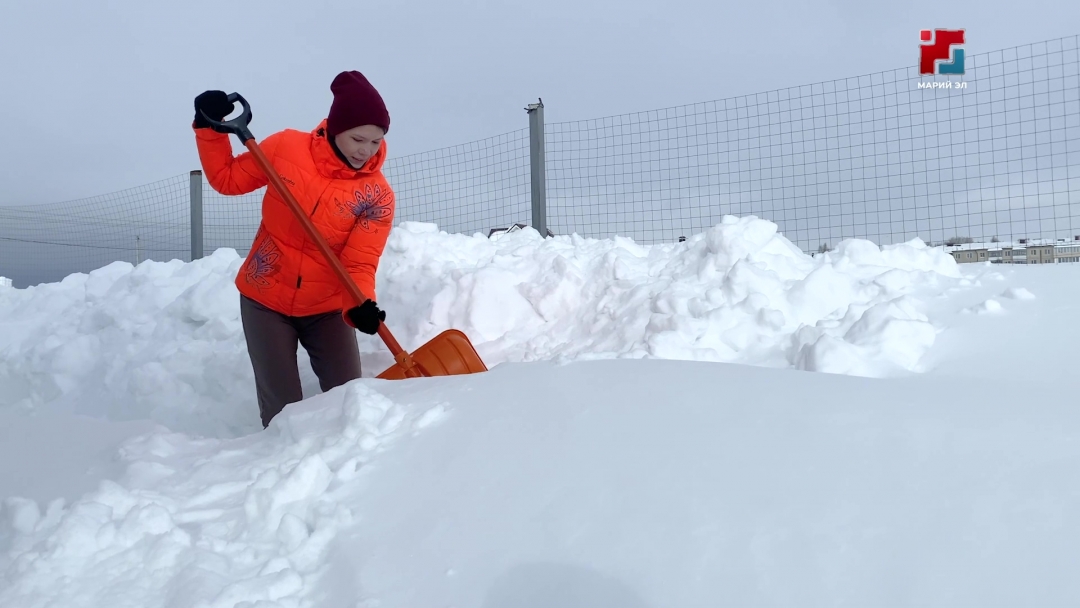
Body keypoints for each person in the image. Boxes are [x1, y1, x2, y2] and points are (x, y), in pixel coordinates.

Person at [191, 70, 394, 428]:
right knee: (281, 412)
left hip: (327, 307)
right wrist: (209, 130)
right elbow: (227, 179)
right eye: (358, 138)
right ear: (335, 128)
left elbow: (359, 262)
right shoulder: (285, 148)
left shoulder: (376, 196)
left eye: (376, 142)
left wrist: (360, 304)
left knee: (350, 399)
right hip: (265, 298)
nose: (366, 151)